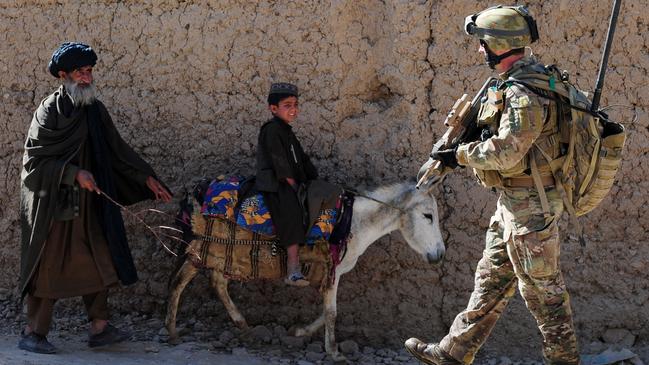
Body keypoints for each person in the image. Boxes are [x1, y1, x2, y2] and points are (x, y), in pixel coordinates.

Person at [405, 6, 581, 365]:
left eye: (482, 43)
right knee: (491, 281)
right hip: (514, 204)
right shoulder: (520, 82)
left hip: (532, 209)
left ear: (500, 45)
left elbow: (507, 152)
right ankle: (454, 352)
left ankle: (565, 360)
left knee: (543, 293)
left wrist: (461, 155)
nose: (479, 49)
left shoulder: (523, 93)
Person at [19, 42, 172, 354]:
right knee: (49, 265)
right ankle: (33, 331)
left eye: (89, 71)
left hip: (91, 203)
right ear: (63, 75)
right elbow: (34, 162)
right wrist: (72, 173)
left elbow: (118, 151)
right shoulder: (49, 111)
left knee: (99, 258)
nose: (87, 78)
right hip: (55, 205)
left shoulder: (95, 111)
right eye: (80, 72)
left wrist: (146, 177)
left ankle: (99, 326)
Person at [255, 82, 318, 287]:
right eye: (287, 105)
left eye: (296, 105)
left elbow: (302, 159)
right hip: (275, 183)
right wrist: (294, 186)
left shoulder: (287, 132)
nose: (293, 109)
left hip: (290, 180)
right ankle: (293, 267)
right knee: (291, 207)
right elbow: (279, 162)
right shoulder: (272, 130)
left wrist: (313, 179)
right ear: (273, 109)